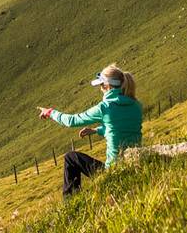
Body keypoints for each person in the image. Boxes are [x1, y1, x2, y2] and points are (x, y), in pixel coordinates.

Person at [37, 64, 142, 197]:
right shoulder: (136, 106)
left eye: (100, 85)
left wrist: (50, 112)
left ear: (106, 86)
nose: (100, 88)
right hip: (133, 166)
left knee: (71, 157)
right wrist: (96, 130)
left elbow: (72, 121)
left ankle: (70, 203)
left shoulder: (105, 107)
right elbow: (121, 128)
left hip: (114, 171)